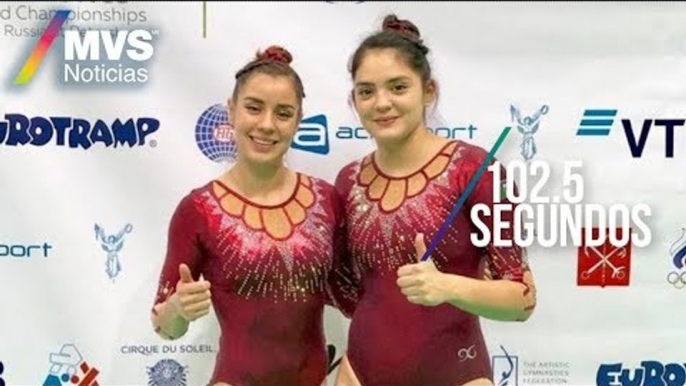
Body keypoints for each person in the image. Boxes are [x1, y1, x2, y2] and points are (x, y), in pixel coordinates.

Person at [332, 14, 538, 386]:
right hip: (360, 374)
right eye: (367, 91)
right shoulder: (348, 182)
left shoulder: (475, 170)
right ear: (354, 100)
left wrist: (448, 287)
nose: (382, 103)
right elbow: (350, 294)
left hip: (457, 375)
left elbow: (521, 300)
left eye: (398, 87)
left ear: (428, 90)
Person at [150, 45, 357, 386]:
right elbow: (164, 327)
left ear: (298, 122)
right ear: (231, 111)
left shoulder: (326, 200)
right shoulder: (198, 211)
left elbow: (355, 298)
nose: (266, 125)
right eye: (253, 108)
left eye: (283, 113)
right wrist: (178, 308)